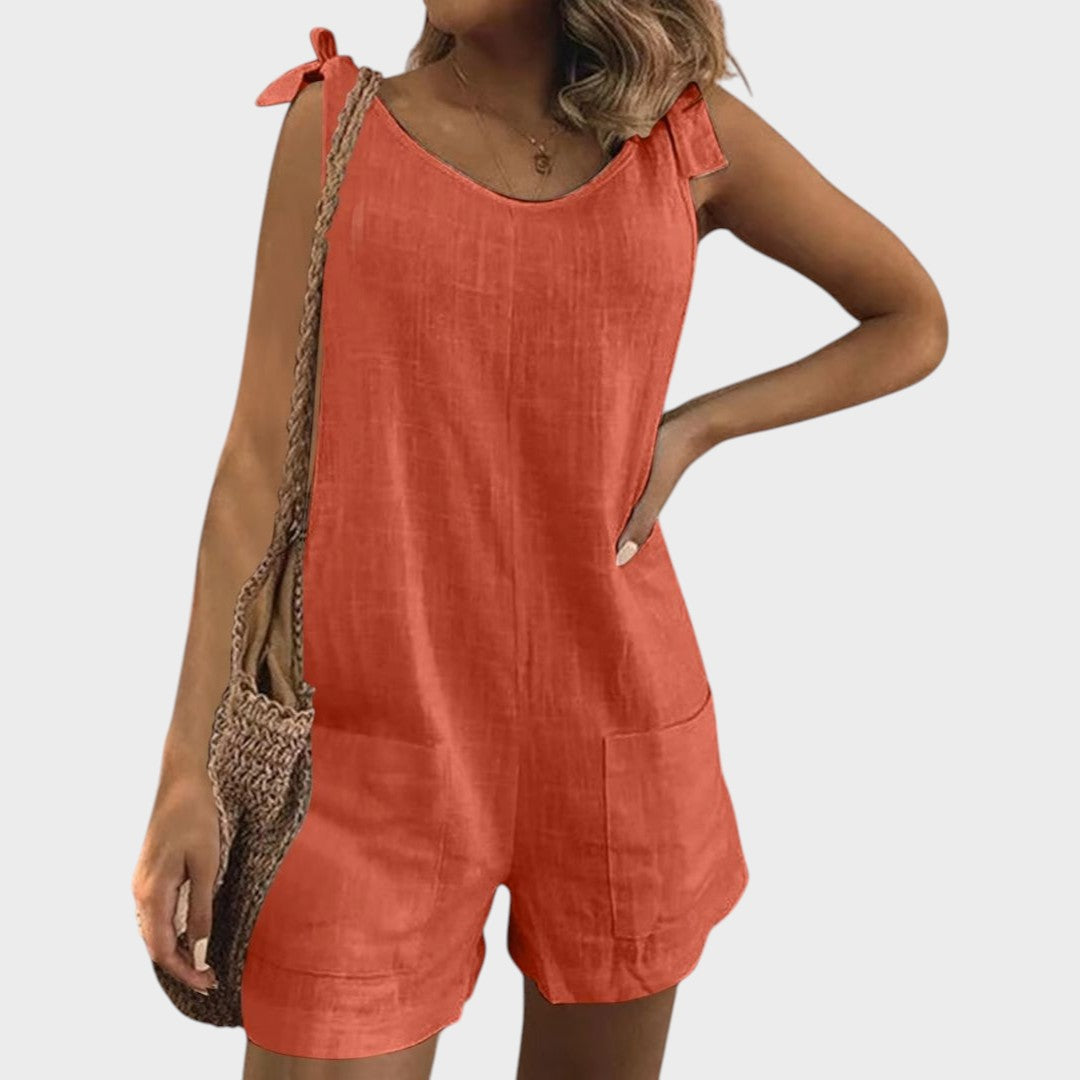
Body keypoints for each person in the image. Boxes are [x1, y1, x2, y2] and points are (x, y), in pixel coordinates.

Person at [132, 2, 948, 1076]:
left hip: (617, 727)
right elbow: (254, 466)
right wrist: (185, 773)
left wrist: (694, 429)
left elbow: (909, 317)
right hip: (365, 761)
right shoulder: (334, 129)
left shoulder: (684, 138)